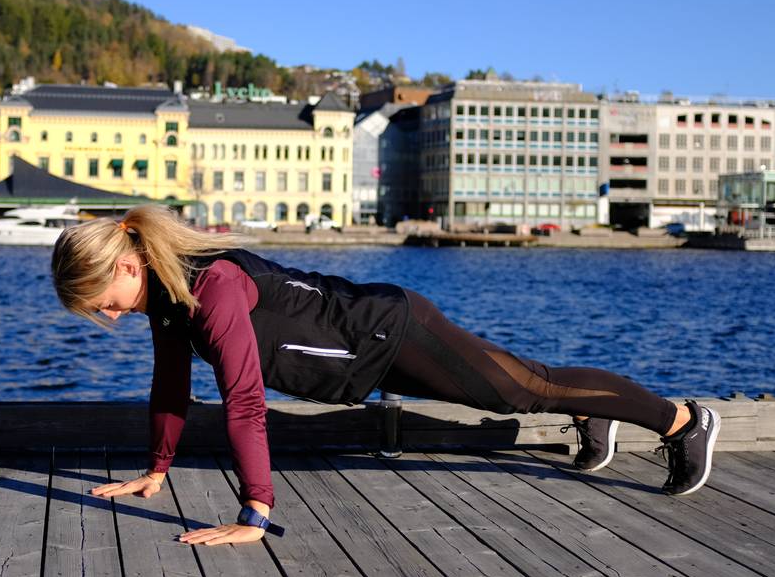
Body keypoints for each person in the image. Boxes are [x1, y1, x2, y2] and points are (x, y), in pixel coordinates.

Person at [51, 205, 720, 547]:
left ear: (126, 265)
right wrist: (157, 468)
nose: (106, 316)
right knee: (520, 387)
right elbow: (170, 385)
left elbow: (245, 403)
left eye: (100, 301)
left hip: (392, 331)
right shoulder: (167, 298)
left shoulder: (212, 286)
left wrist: (255, 510)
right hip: (364, 361)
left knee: (526, 387)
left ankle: (685, 421)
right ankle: (590, 414)